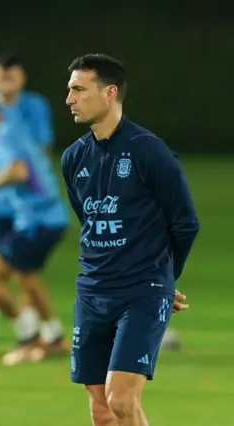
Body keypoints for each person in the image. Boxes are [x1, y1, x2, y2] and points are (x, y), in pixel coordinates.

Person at [61, 53, 199, 425]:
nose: (69, 99)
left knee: (121, 399)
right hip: (92, 292)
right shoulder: (74, 158)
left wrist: (166, 281)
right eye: (69, 90)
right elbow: (88, 218)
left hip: (141, 290)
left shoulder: (148, 151)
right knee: (101, 410)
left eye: (78, 89)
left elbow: (185, 223)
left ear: (109, 92)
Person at [0, 50, 66, 358]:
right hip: (45, 216)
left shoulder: (2, 135)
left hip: (38, 219)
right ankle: (55, 337)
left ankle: (28, 337)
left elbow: (18, 171)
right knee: (26, 276)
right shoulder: (10, 132)